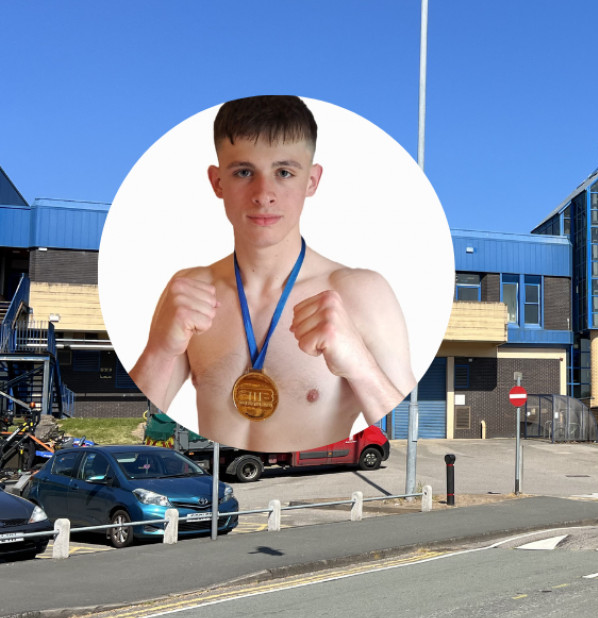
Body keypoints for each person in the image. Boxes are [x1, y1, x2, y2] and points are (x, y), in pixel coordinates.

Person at [130, 95, 415, 452]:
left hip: (312, 495)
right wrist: (158, 351)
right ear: (217, 182)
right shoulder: (187, 292)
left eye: (284, 173)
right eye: (244, 172)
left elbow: (409, 436)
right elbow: (143, 425)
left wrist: (361, 367)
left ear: (311, 181)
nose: (263, 195)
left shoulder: (362, 293)